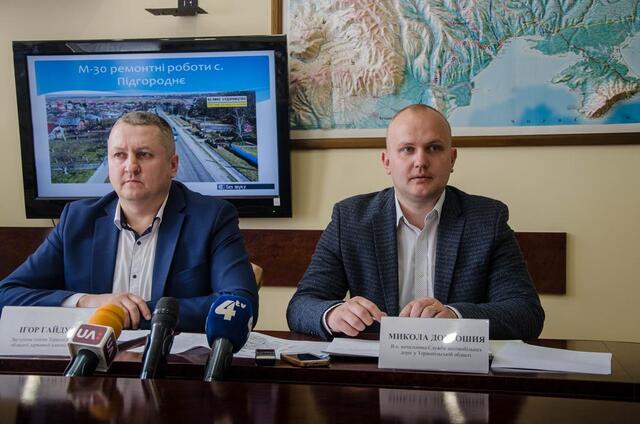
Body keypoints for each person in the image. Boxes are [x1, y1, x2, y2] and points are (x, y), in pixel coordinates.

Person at [287, 104, 544, 340]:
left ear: (452, 159)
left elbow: (526, 313)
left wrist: (455, 316)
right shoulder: (350, 218)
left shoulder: (488, 219)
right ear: (387, 161)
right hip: (374, 367)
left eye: (433, 148)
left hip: (457, 366)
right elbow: (301, 305)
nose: (420, 161)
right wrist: (332, 314)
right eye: (407, 149)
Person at [0, 112, 258, 332]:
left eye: (144, 155)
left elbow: (239, 304)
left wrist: (125, 315)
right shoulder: (77, 219)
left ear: (173, 165)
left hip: (173, 365)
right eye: (119, 155)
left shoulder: (212, 217)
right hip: (89, 364)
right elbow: (7, 294)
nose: (130, 166)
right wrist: (87, 302)